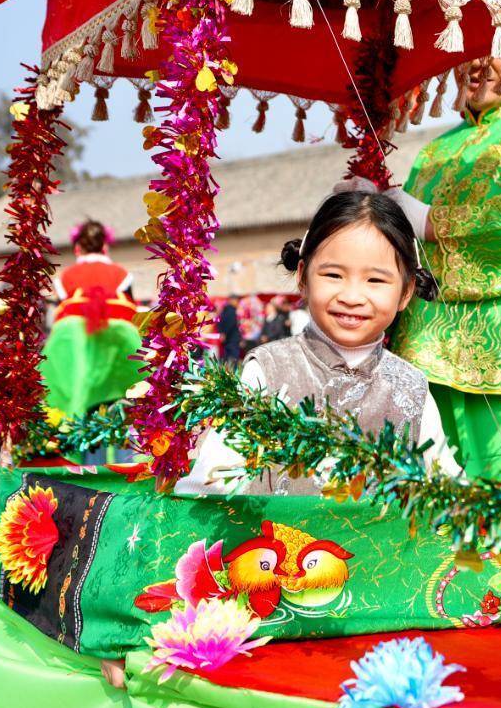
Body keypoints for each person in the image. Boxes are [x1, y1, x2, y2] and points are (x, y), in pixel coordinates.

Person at [178, 191, 458, 496]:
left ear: (406, 291)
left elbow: (448, 489)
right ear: (303, 277)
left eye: (375, 280)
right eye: (334, 275)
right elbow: (211, 482)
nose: (352, 297)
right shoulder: (269, 370)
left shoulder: (411, 387)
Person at [380, 48, 501, 482]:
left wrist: (434, 223)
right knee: (424, 503)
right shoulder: (436, 151)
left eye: (500, 50)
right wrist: (370, 211)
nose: (479, 65)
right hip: (420, 367)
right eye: (468, 52)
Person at [40, 220, 143, 417]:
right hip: (115, 341)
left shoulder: (66, 277)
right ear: (105, 245)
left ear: (78, 247)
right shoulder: (121, 274)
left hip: (77, 343)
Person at [215, 296, 242, 365]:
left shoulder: (224, 310)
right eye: (237, 301)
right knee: (234, 358)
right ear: (232, 301)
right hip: (232, 338)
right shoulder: (231, 311)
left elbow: (219, 322)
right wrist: (224, 333)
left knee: (226, 358)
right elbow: (230, 323)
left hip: (227, 338)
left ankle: (225, 369)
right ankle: (234, 370)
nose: (238, 303)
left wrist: (221, 332)